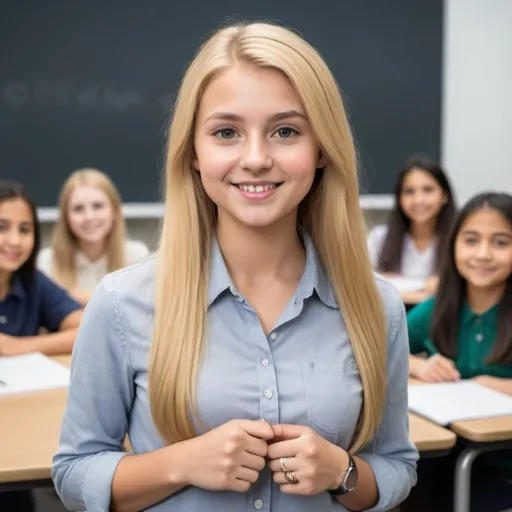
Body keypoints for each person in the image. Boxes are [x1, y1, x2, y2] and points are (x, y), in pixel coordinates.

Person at [52, 22, 418, 512]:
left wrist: (341, 472)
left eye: (285, 131)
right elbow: (74, 471)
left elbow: (396, 466)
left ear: (322, 150)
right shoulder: (123, 303)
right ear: (194, 154)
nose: (256, 158)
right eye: (226, 132)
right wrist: (179, 463)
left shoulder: (377, 306)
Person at [405, 192, 512, 512]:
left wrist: (495, 386)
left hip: (503, 468)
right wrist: (418, 366)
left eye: (500, 243)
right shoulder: (437, 309)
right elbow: (381, 352)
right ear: (453, 245)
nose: (482, 254)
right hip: (449, 461)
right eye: (471, 240)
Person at [0, 180, 82, 511]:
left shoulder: (31, 282)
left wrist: (19, 346)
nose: (15, 241)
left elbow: (84, 326)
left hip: (17, 431)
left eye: (25, 229)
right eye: (2, 228)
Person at [38, 168, 149, 305]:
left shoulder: (137, 256)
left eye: (98, 206)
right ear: (66, 217)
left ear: (115, 211)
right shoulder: (47, 261)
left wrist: (75, 297)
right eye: (78, 209)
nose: (89, 217)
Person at [367, 155, 456, 304]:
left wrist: (391, 286)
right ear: (399, 198)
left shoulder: (459, 239)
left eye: (428, 190)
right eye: (409, 191)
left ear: (445, 196)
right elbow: (366, 284)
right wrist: (424, 289)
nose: (419, 200)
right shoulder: (379, 237)